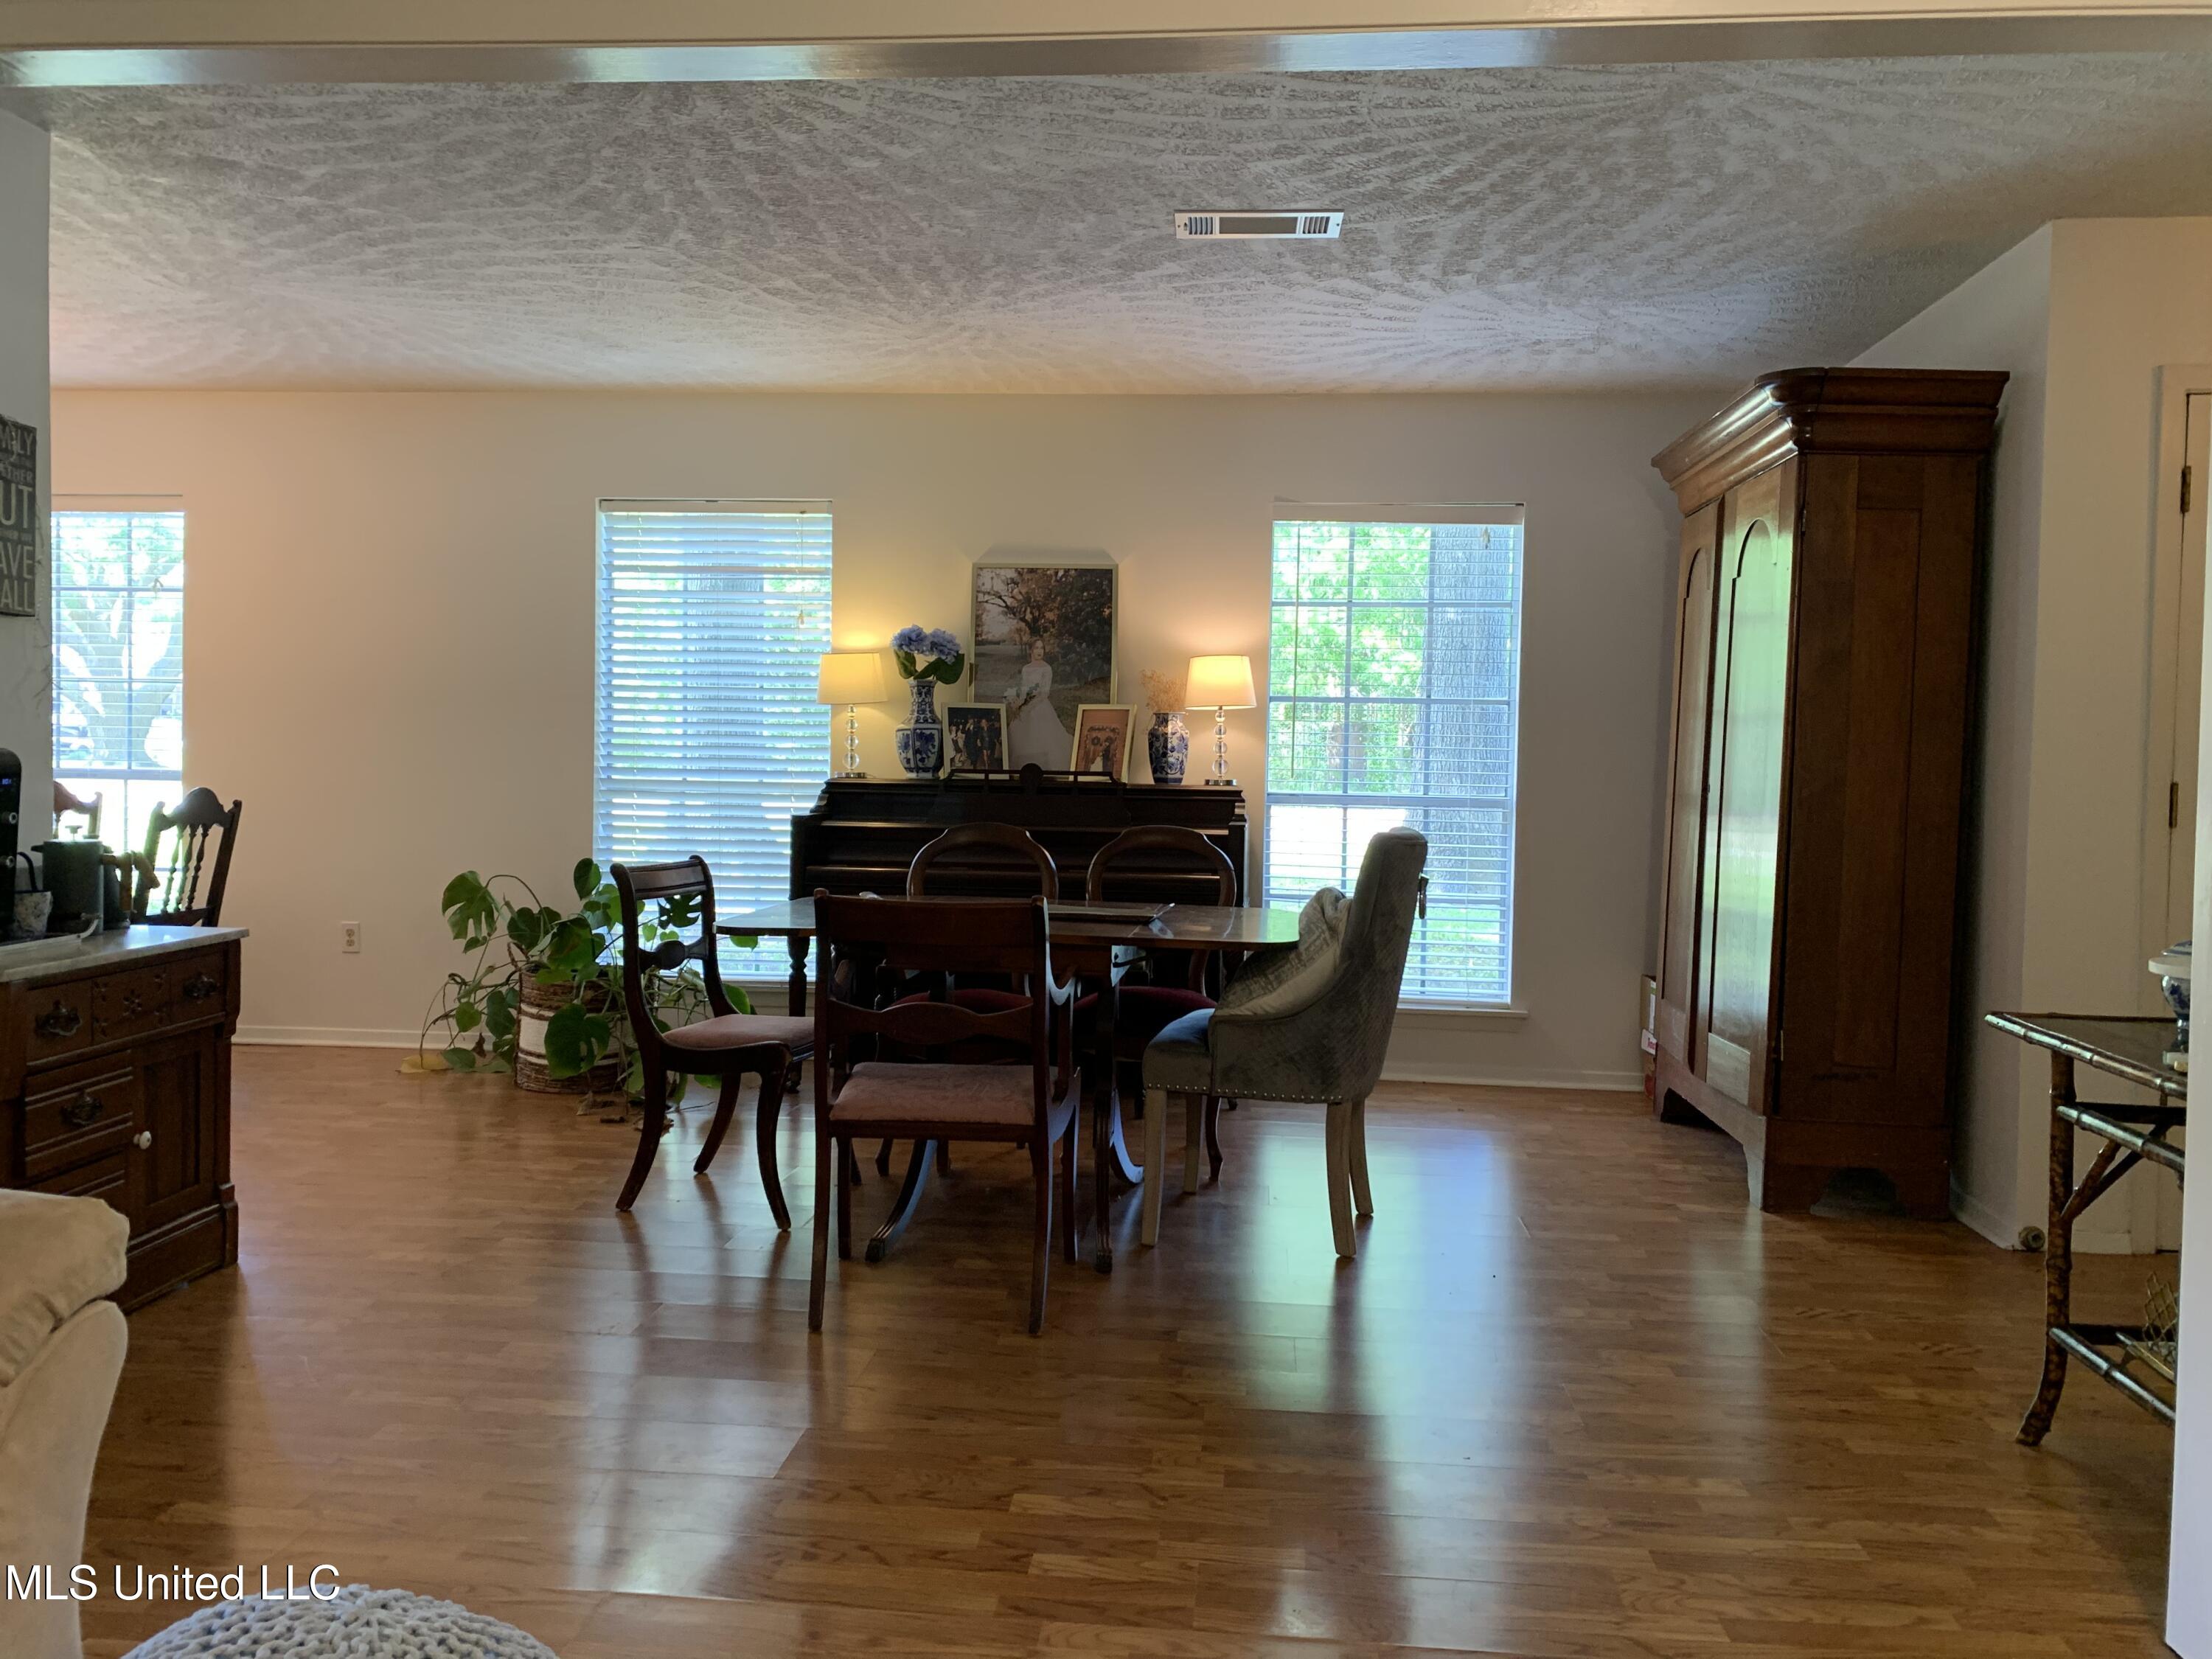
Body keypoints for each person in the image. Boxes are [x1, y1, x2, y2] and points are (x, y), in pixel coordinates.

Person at [1006, 636, 1069, 769]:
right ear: (1031, 650)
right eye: (1036, 648)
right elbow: (1024, 690)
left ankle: (1042, 765)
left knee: (1038, 731)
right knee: (1017, 728)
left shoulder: (1047, 669)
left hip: (1041, 705)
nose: (1039, 651)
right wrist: (1019, 703)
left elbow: (1044, 693)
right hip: (1027, 704)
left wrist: (1030, 707)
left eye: (1042, 648)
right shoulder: (1026, 668)